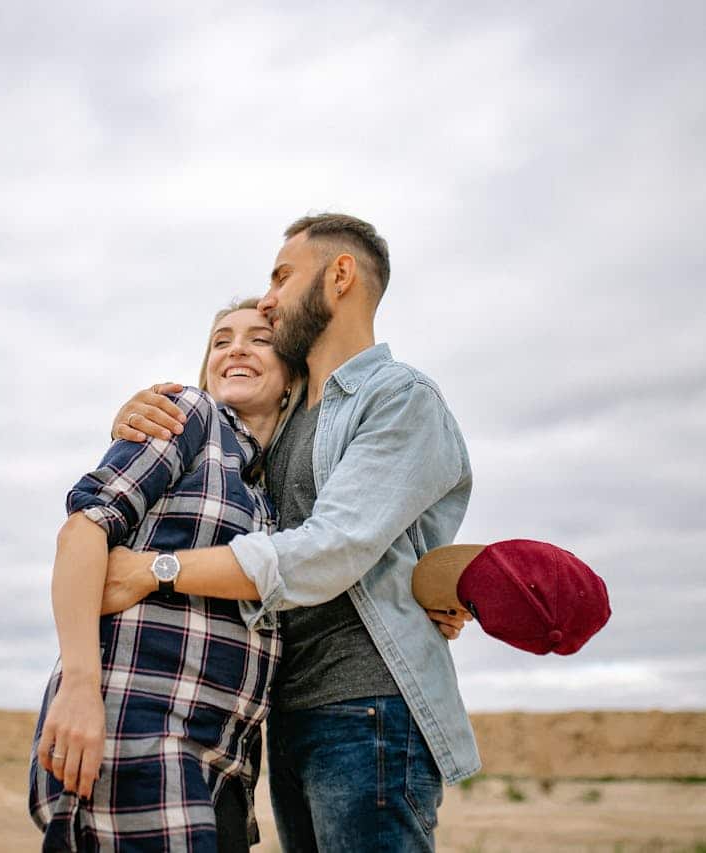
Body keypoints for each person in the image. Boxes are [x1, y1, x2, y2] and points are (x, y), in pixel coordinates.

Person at [103, 213, 479, 852]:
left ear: (339, 276)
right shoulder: (286, 412)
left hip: (369, 708)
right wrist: (135, 412)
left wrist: (155, 569)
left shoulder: (399, 397)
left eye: (282, 276)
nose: (270, 298)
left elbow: (333, 548)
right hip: (280, 713)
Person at [29, 300, 295, 852]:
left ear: (293, 374)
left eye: (259, 339)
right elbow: (82, 530)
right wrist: (79, 688)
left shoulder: (272, 489)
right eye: (221, 341)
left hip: (220, 763)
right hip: (135, 736)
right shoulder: (190, 417)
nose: (236, 348)